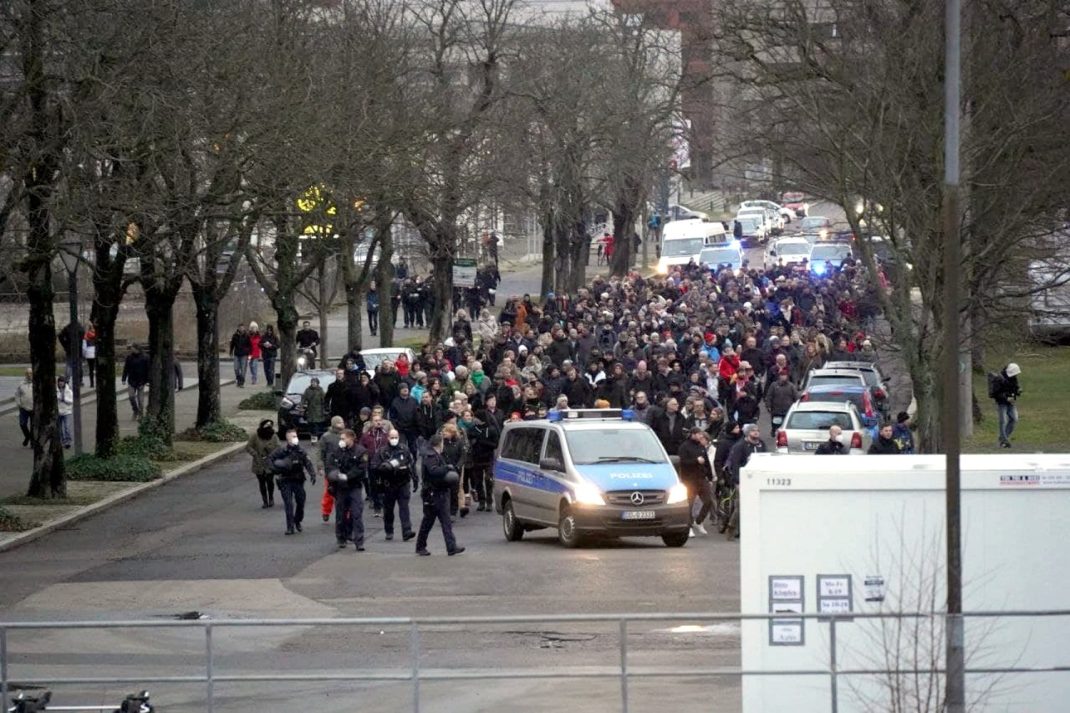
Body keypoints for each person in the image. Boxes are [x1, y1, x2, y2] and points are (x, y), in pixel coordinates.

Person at [414, 434, 465, 556]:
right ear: (439, 444)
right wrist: (447, 468)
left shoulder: (434, 455)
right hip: (433, 493)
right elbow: (434, 471)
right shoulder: (431, 456)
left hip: (439, 492)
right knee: (429, 521)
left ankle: (451, 546)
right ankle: (421, 546)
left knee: (444, 521)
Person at [326, 428, 369, 550]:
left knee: (356, 514)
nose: (341, 441)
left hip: (354, 486)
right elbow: (330, 465)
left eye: (343, 438)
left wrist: (347, 476)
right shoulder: (337, 451)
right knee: (341, 515)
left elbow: (361, 468)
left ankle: (359, 541)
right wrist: (334, 475)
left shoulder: (361, 451)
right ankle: (341, 537)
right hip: (340, 488)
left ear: (351, 438)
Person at [723, 424, 768, 540]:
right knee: (741, 506)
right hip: (743, 480)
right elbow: (735, 464)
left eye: (757, 430)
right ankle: (731, 528)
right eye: (753, 431)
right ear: (748, 433)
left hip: (759, 479)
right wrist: (738, 481)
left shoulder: (761, 444)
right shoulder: (740, 446)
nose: (756, 432)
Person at [269, 428, 317, 535]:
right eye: (293, 437)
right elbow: (270, 460)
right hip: (285, 480)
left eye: (296, 436)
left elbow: (307, 463)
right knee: (288, 504)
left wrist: (312, 474)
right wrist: (275, 470)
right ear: (287, 438)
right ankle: (290, 527)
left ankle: (297, 520)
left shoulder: (301, 451)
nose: (295, 439)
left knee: (301, 502)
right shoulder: (281, 451)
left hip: (298, 480)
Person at [372, 429, 417, 541]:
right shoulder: (382, 451)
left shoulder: (404, 449)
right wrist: (385, 467)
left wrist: (415, 479)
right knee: (388, 510)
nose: (394, 440)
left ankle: (407, 531)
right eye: (392, 437)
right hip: (389, 484)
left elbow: (411, 464)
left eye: (396, 437)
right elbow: (374, 466)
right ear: (388, 438)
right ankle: (389, 530)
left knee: (404, 508)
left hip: (403, 483)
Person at [677, 427, 714, 537]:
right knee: (690, 503)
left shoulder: (701, 446)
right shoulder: (684, 447)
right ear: (693, 434)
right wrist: (695, 461)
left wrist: (710, 477)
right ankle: (688, 527)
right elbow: (682, 462)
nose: (701, 437)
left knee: (708, 501)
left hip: (701, 478)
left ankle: (698, 521)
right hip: (689, 479)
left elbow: (706, 461)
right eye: (699, 435)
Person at [245, 419, 280, 507]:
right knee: (262, 482)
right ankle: (264, 501)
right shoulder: (255, 436)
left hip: (270, 462)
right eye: (266, 425)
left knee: (269, 481)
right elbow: (248, 447)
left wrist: (272, 455)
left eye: (270, 425)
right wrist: (255, 454)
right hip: (258, 462)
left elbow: (278, 447)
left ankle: (271, 498)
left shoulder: (274, 436)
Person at [318, 416, 347, 522]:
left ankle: (346, 512)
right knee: (329, 492)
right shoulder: (326, 437)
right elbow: (320, 452)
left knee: (345, 491)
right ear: (334, 424)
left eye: (342, 422)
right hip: (330, 468)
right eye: (340, 422)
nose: (342, 424)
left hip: (343, 467)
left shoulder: (346, 435)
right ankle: (326, 511)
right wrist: (320, 466)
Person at [992, 362, 1022, 449]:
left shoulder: (1013, 378)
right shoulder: (999, 379)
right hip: (1002, 403)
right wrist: (1006, 398)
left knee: (1014, 419)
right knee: (1003, 421)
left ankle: (1002, 439)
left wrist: (1018, 391)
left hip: (1011, 402)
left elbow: (1014, 388)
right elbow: (996, 393)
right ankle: (1004, 441)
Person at [764, 369, 798, 438]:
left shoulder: (791, 386)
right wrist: (768, 406)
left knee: (786, 424)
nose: (783, 377)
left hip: (788, 409)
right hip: (776, 409)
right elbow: (769, 396)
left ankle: (783, 435)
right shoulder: (774, 385)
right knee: (775, 423)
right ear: (779, 376)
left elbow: (796, 397)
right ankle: (773, 430)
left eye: (784, 375)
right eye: (782, 375)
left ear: (787, 376)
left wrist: (796, 406)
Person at [121, 345, 150, 420]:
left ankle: (140, 413)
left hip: (141, 381)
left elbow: (148, 370)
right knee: (131, 396)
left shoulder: (145, 357)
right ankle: (135, 410)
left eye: (132, 348)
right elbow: (126, 368)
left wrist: (147, 381)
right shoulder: (129, 357)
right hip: (132, 380)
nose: (131, 350)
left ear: (137, 349)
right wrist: (123, 378)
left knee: (140, 400)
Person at [15, 368, 33, 447]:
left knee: (34, 427)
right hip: (23, 408)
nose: (29, 375)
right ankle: (28, 436)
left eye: (31, 373)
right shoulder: (21, 384)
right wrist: (19, 404)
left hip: (34, 409)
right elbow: (17, 394)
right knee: (22, 424)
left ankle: (33, 443)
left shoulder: (37, 383)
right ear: (25, 374)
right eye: (28, 373)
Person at [56, 376, 73, 449]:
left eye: (62, 382)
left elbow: (71, 401)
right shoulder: (56, 390)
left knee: (67, 427)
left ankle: (68, 441)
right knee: (59, 428)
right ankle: (63, 441)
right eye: (59, 382)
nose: (61, 384)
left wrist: (63, 399)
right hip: (59, 412)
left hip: (67, 412)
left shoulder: (68, 391)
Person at [82, 323, 97, 388]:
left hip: (88, 354)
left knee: (90, 369)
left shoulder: (86, 336)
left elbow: (84, 347)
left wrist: (84, 355)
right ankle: (97, 382)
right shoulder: (97, 335)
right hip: (95, 353)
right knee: (96, 368)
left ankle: (92, 384)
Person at [248, 322, 262, 386]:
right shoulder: (248, 336)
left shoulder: (259, 336)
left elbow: (261, 344)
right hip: (250, 353)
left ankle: (254, 378)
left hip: (256, 353)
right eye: (252, 328)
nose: (254, 329)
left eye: (255, 328)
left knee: (254, 366)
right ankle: (253, 376)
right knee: (251, 366)